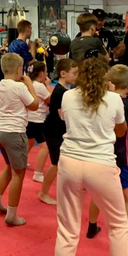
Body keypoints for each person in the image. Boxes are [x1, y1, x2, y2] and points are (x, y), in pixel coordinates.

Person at [45, 56, 128, 256]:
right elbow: (121, 131)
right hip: (100, 166)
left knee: (67, 229)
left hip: (70, 164)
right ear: (105, 78)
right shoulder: (114, 99)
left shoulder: (68, 96)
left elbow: (69, 121)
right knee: (119, 224)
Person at [86, 64, 128, 255]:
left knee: (98, 191)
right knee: (127, 197)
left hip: (98, 153)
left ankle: (91, 227)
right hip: (118, 157)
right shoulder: (127, 104)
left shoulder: (100, 101)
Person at [0, 53, 39, 226]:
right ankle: (12, 215)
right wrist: (29, 84)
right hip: (14, 133)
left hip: (0, 132)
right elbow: (35, 105)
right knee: (19, 173)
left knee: (10, 167)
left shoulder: (0, 84)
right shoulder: (19, 87)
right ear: (19, 70)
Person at [40, 58, 78, 205]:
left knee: (64, 163)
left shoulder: (63, 90)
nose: (76, 76)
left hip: (58, 130)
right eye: (74, 73)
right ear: (63, 73)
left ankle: (69, 188)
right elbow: (63, 116)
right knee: (56, 164)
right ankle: (43, 193)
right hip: (53, 131)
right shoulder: (61, 92)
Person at [27, 61, 52, 185]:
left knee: (30, 141)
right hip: (37, 120)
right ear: (42, 73)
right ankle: (38, 173)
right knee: (45, 147)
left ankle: (20, 161)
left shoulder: (29, 84)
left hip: (28, 118)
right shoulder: (39, 86)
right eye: (45, 72)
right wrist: (48, 85)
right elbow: (50, 100)